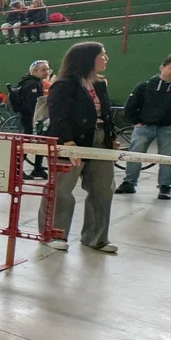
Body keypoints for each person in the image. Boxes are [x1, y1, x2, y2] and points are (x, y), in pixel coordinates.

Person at [43, 42, 117, 253]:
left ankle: (96, 238)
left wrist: (111, 137)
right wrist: (68, 143)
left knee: (103, 188)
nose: (106, 58)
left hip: (100, 140)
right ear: (87, 58)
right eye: (102, 54)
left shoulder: (100, 84)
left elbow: (106, 113)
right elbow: (58, 116)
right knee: (62, 189)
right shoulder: (64, 84)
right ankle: (53, 233)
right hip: (71, 141)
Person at [116, 55, 171, 200]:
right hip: (144, 127)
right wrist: (136, 122)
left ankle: (165, 187)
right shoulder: (145, 86)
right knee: (135, 155)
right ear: (162, 67)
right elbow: (130, 106)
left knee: (167, 158)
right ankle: (129, 183)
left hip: (169, 129)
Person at [11, 60, 51, 179]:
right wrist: (37, 120)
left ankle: (37, 168)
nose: (46, 72)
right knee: (28, 143)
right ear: (34, 71)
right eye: (43, 70)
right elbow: (33, 105)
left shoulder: (31, 82)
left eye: (47, 69)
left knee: (40, 142)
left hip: (32, 118)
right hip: (31, 119)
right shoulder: (32, 84)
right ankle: (17, 170)